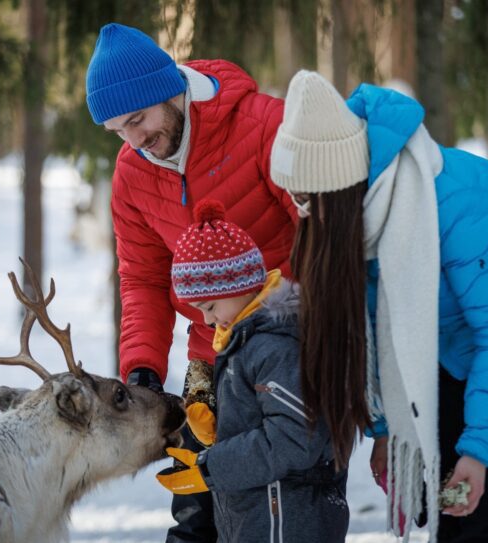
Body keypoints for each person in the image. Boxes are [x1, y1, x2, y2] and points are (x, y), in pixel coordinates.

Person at [268, 70, 488, 543]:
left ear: (338, 185)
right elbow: (377, 327)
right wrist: (386, 432)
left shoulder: (455, 203)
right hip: (461, 348)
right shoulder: (362, 215)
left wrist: (478, 452)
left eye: (306, 197)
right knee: (443, 508)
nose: (301, 211)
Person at [84, 23, 297, 542]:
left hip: (286, 349)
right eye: (118, 130)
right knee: (195, 510)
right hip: (210, 358)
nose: (136, 141)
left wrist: (288, 324)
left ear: (171, 89)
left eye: (139, 119)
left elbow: (323, 237)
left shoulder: (265, 126)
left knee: (274, 506)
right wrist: (142, 370)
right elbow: (142, 280)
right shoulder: (132, 171)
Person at [155, 199, 349, 543]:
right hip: (261, 517)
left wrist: (213, 466)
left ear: (239, 285)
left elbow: (293, 438)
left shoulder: (275, 346)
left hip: (287, 521)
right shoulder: (244, 342)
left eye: (210, 306)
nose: (207, 320)